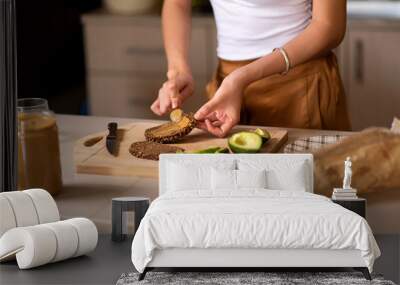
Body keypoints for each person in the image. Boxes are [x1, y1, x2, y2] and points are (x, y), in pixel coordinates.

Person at [151, 0, 351, 138]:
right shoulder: (231, 82)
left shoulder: (237, 80)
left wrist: (240, 78)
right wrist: (178, 70)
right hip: (228, 84)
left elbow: (329, 28)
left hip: (301, 85)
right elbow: (177, 3)